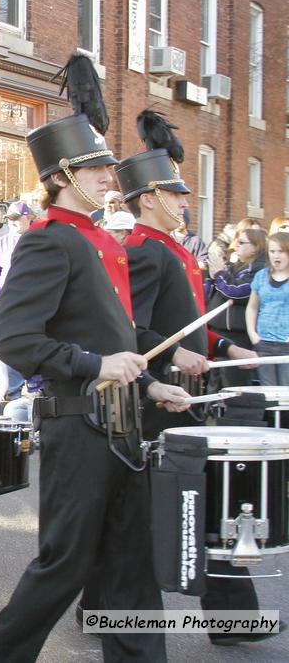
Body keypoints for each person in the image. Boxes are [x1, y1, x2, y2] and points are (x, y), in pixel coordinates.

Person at [0, 53, 188, 662]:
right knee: (63, 567)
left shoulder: (99, 242)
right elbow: (13, 339)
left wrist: (149, 387)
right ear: (63, 174)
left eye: (106, 169)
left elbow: (111, 343)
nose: (109, 180)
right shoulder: (49, 240)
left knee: (130, 567)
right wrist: (96, 367)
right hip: (78, 424)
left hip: (122, 420)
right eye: (95, 170)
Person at [94, 110, 272, 647]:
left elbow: (183, 322)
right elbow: (132, 328)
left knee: (182, 501)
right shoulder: (144, 251)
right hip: (156, 398)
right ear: (147, 198)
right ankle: (223, 615)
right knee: (181, 501)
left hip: (185, 389)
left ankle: (222, 616)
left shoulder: (173, 249)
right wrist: (172, 363)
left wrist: (220, 344)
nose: (184, 204)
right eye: (175, 196)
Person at [207, 228, 269, 389]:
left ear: (256, 246)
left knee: (234, 384)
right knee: (216, 382)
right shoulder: (236, 266)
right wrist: (215, 275)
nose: (236, 246)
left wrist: (220, 273)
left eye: (242, 242)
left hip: (239, 335)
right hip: (219, 331)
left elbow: (236, 292)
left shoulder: (261, 270)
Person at [247, 233, 289, 386]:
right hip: (263, 342)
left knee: (286, 391)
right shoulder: (261, 276)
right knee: (267, 392)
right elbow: (252, 307)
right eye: (272, 251)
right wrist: (253, 334)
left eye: (281, 251)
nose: (276, 256)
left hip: (286, 344)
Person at [0, 201, 32, 309]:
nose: (12, 221)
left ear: (28, 218)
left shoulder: (41, 240)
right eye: (10, 218)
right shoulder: (1, 243)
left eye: (16, 218)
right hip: (8, 302)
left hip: (33, 302)